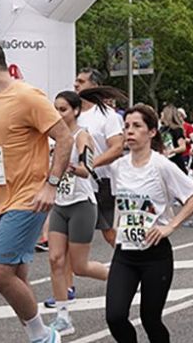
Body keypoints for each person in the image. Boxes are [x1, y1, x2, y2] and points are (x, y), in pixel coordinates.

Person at [0, 41, 72, 343]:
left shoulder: (28, 96)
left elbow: (64, 139)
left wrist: (51, 185)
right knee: (15, 275)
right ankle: (37, 335)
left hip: (28, 198)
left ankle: (43, 335)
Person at [105, 104, 193, 343]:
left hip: (155, 255)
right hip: (125, 253)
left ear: (151, 132)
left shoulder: (161, 165)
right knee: (115, 317)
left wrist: (170, 226)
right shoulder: (117, 167)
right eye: (126, 126)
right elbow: (118, 203)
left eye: (137, 126)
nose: (129, 131)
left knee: (150, 319)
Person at [46, 91, 109, 335]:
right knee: (55, 259)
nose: (58, 113)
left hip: (82, 203)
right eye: (55, 109)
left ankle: (121, 278)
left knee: (80, 266)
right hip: (60, 204)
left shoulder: (82, 135)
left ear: (75, 111)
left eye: (62, 109)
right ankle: (63, 318)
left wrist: (71, 167)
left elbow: (88, 169)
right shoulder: (53, 138)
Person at [74, 68, 125, 250]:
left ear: (94, 85)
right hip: (74, 184)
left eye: (81, 82)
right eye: (76, 81)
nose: (76, 85)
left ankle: (130, 262)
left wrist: (88, 165)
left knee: (109, 233)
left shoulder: (107, 115)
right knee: (70, 235)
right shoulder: (72, 114)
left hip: (101, 182)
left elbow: (117, 148)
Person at [159, 104, 188, 174]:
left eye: (163, 112)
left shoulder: (177, 130)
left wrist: (171, 151)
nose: (161, 114)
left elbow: (183, 147)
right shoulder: (162, 129)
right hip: (165, 162)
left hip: (176, 163)